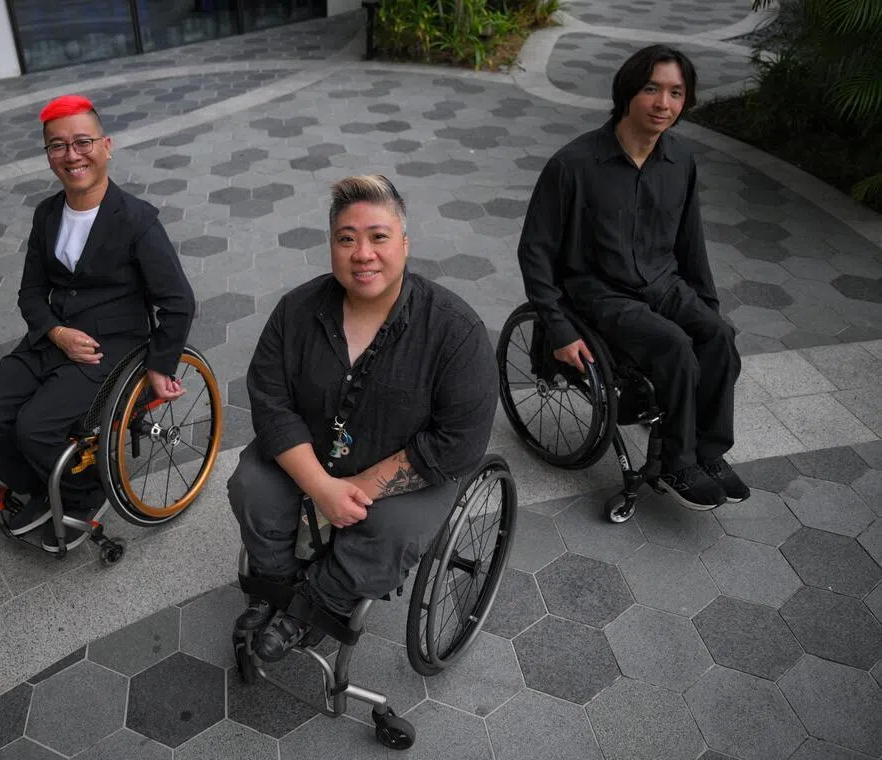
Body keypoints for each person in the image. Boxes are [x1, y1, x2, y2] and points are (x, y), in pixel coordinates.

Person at [229, 174, 498, 662]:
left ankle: (319, 602)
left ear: (405, 244)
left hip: (407, 469)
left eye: (379, 237)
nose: (363, 253)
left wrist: (362, 488)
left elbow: (459, 440)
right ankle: (274, 583)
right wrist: (321, 486)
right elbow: (270, 399)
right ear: (331, 245)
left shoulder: (455, 331)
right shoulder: (297, 310)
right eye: (346, 239)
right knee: (252, 483)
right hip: (311, 453)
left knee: (391, 530)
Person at [517, 45, 748, 511]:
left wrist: (708, 307)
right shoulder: (575, 164)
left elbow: (691, 244)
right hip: (598, 291)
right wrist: (558, 327)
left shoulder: (680, 161)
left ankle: (708, 450)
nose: (663, 103)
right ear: (628, 92)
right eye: (652, 89)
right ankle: (676, 464)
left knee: (718, 337)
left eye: (676, 93)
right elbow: (535, 250)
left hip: (662, 282)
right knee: (674, 347)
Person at [0, 94, 195, 551]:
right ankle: (40, 487)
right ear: (49, 156)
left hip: (111, 348)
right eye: (58, 146)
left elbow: (179, 301)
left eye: (83, 142)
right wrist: (55, 332)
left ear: (106, 146)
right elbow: (30, 291)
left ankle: (81, 492)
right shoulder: (47, 214)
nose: (72, 155)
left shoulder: (137, 222)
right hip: (52, 337)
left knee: (33, 428)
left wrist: (159, 365)